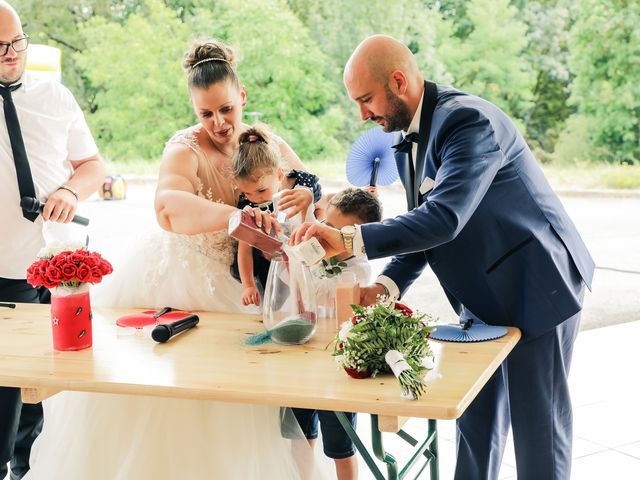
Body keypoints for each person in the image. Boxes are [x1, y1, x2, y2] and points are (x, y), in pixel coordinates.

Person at [291, 34, 595, 480]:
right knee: (476, 421)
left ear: (398, 81)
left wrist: (351, 239)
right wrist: (385, 287)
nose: (362, 114)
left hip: (536, 287)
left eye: (366, 99)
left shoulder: (468, 121)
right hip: (481, 300)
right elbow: (424, 226)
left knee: (539, 432)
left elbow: (443, 219)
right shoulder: (412, 133)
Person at [23, 39, 329, 479]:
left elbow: (301, 190)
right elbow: (167, 207)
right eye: (206, 114)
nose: (219, 122)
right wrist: (233, 216)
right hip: (185, 280)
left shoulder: (266, 142)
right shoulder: (185, 149)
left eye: (226, 109)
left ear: (242, 96)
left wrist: (308, 197)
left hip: (250, 280)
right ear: (193, 109)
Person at [0, 2, 105, 479]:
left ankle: (34, 470)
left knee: (51, 379)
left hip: (60, 263)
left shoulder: (55, 95)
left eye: (17, 42)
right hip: (5, 268)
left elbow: (93, 166)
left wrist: (68, 189)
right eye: (0, 47)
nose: (11, 53)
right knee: (7, 389)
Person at [289, 187, 382, 480]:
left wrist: (307, 262)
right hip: (302, 358)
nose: (327, 235)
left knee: (340, 445)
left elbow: (324, 294)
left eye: (339, 233)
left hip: (336, 363)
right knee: (299, 434)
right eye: (327, 225)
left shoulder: (358, 271)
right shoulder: (317, 253)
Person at [231, 125, 322, 306]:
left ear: (280, 175)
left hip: (306, 256)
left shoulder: (300, 186)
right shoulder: (250, 207)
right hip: (271, 265)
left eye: (261, 190)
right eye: (247, 193)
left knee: (312, 296)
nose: (255, 198)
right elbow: (244, 248)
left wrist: (308, 195)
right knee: (278, 303)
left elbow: (320, 209)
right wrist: (248, 286)